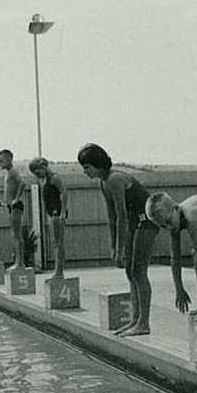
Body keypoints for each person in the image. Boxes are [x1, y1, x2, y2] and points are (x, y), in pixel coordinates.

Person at [77, 143, 158, 337]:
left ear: (98, 165)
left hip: (147, 221)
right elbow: (112, 217)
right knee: (130, 271)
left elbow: (122, 216)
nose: (84, 172)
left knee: (138, 271)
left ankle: (143, 323)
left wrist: (121, 248)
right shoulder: (103, 182)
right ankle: (135, 320)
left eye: (87, 167)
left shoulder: (115, 179)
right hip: (134, 222)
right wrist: (113, 247)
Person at [28, 157, 68, 280]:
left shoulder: (54, 178)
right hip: (52, 212)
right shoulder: (46, 180)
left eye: (37, 172)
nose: (37, 175)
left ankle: (59, 272)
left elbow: (64, 193)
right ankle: (58, 270)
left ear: (43, 166)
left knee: (58, 243)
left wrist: (62, 213)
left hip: (56, 212)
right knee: (56, 242)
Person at [0, 149, 27, 270]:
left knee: (17, 235)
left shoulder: (13, 172)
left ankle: (20, 263)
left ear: (9, 159)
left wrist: (16, 199)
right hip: (11, 206)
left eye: (1, 161)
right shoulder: (8, 173)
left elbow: (23, 183)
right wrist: (5, 203)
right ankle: (18, 261)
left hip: (15, 206)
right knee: (15, 235)